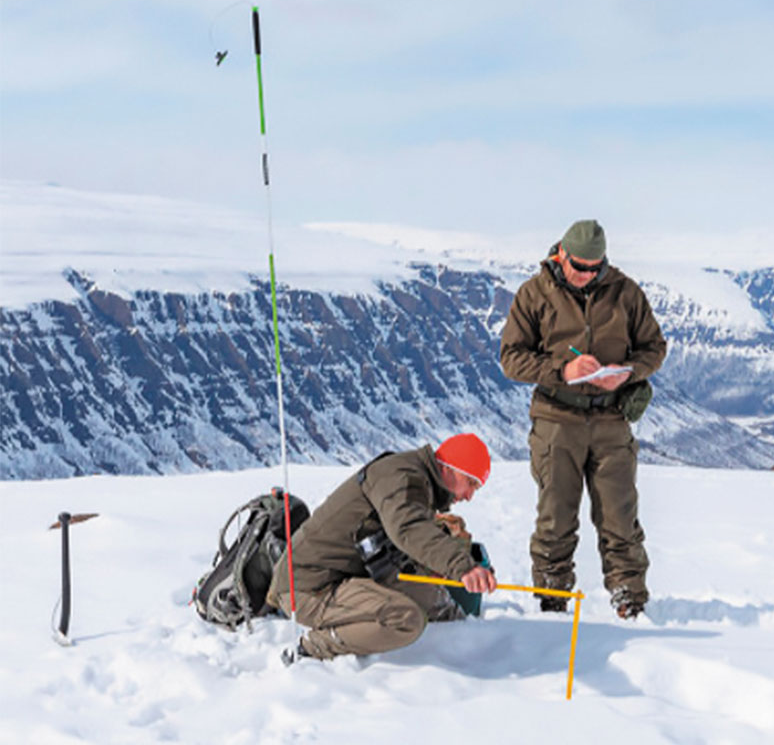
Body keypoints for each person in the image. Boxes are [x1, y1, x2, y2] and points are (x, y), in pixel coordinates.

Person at [499, 219, 667, 619]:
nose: (589, 274)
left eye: (596, 267)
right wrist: (565, 371)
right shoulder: (534, 293)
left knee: (619, 516)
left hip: (611, 420)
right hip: (557, 418)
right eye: (581, 266)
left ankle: (629, 597)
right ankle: (552, 598)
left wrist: (627, 371)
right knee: (555, 517)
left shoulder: (625, 292)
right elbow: (511, 359)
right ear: (561, 255)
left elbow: (654, 347)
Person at [268, 433, 498, 663]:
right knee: (405, 620)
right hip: (307, 586)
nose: (469, 496)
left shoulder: (417, 482)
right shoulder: (400, 476)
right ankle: (310, 649)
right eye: (470, 483)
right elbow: (408, 528)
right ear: (449, 467)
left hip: (339, 577)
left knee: (438, 607)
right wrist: (462, 567)